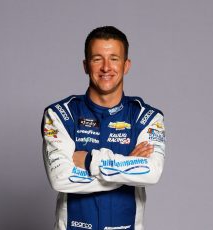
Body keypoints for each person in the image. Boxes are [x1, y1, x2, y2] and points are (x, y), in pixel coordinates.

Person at [42, 26, 166, 230]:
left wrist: (90, 160)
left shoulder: (147, 117)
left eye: (114, 58)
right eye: (97, 58)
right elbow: (60, 178)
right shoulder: (60, 115)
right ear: (85, 65)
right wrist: (127, 169)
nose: (106, 67)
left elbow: (151, 172)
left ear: (126, 65)